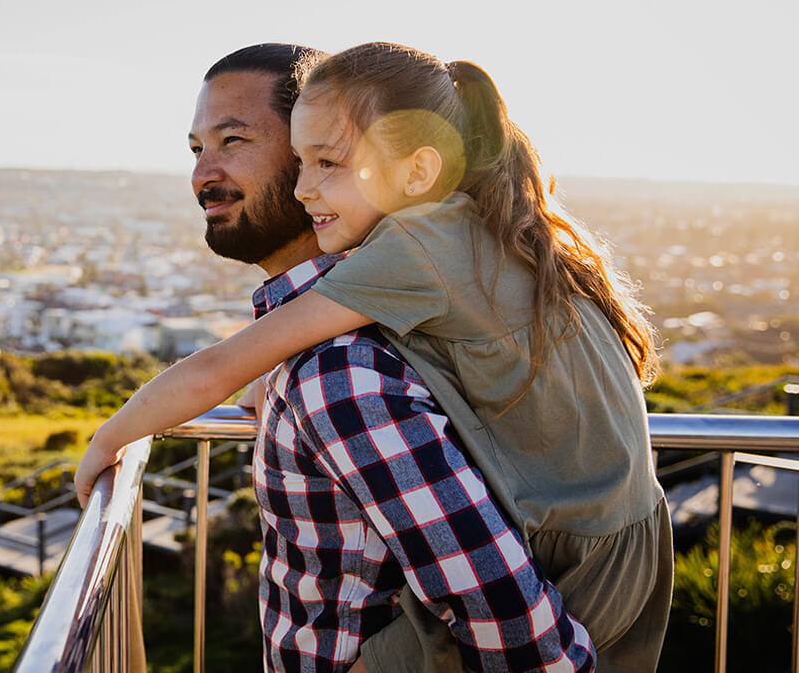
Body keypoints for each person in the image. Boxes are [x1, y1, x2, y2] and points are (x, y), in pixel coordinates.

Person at [81, 44, 596, 672]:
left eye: (234, 141)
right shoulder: (357, 326)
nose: (202, 175)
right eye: (196, 150)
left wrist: (106, 441)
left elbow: (504, 612)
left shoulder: (338, 372)